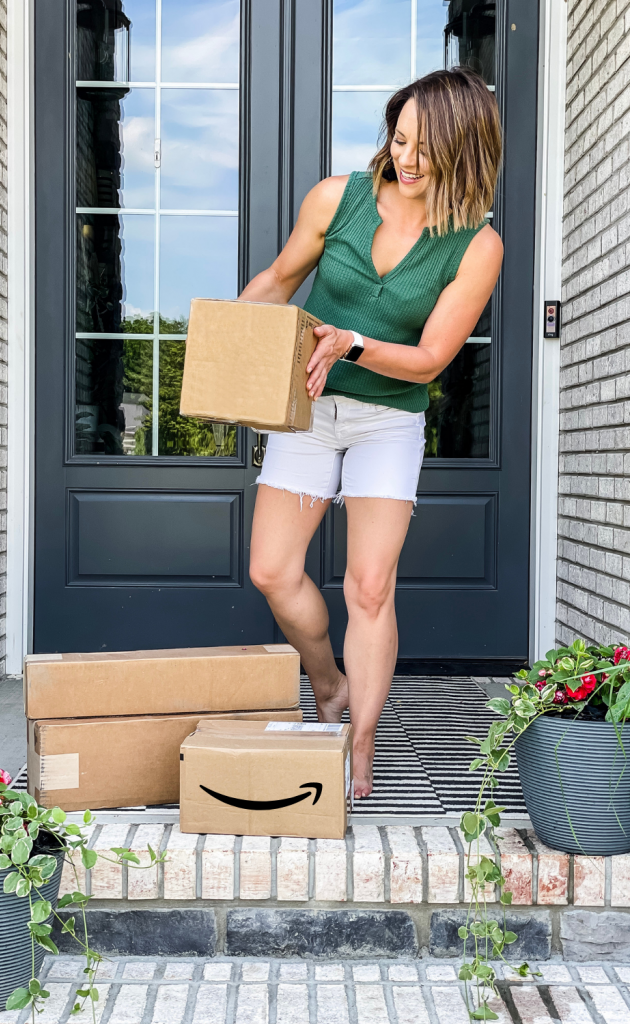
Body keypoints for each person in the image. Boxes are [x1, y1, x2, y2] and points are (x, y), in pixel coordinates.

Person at [241, 67, 503, 799]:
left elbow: (427, 361)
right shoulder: (337, 198)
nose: (408, 158)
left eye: (427, 147)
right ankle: (328, 683)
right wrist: (226, 343)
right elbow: (278, 278)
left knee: (369, 587)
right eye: (400, 138)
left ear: (466, 150)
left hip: (388, 420)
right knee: (271, 570)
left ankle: (361, 742)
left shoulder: (476, 246)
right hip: (310, 409)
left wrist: (352, 341)